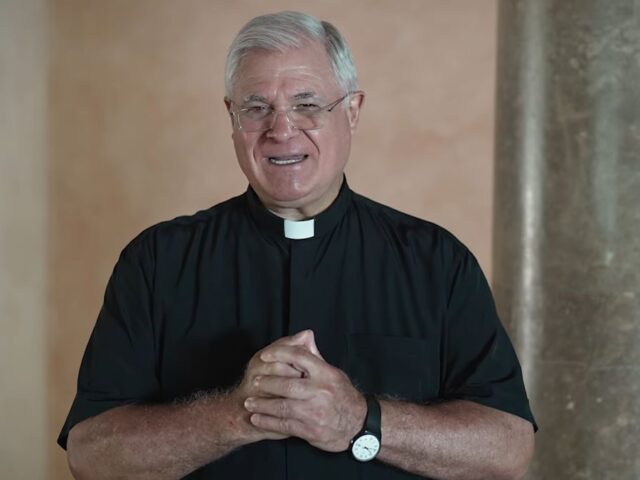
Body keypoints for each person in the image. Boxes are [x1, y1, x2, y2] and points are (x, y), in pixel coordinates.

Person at [59, 10, 536, 480]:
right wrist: (237, 415)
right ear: (232, 117)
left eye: (307, 104)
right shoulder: (157, 262)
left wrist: (359, 420)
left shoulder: (437, 262)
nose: (281, 130)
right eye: (256, 107)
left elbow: (507, 448)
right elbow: (91, 454)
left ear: (352, 111)